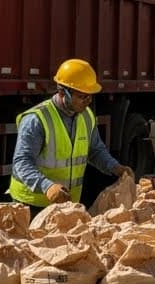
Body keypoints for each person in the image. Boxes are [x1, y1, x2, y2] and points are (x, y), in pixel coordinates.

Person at [8, 58, 132, 209]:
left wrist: (115, 167)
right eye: (82, 96)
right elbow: (22, 162)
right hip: (31, 205)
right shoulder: (37, 119)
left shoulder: (86, 116)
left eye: (90, 96)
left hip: (67, 205)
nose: (88, 101)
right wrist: (47, 187)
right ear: (62, 92)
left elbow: (95, 150)